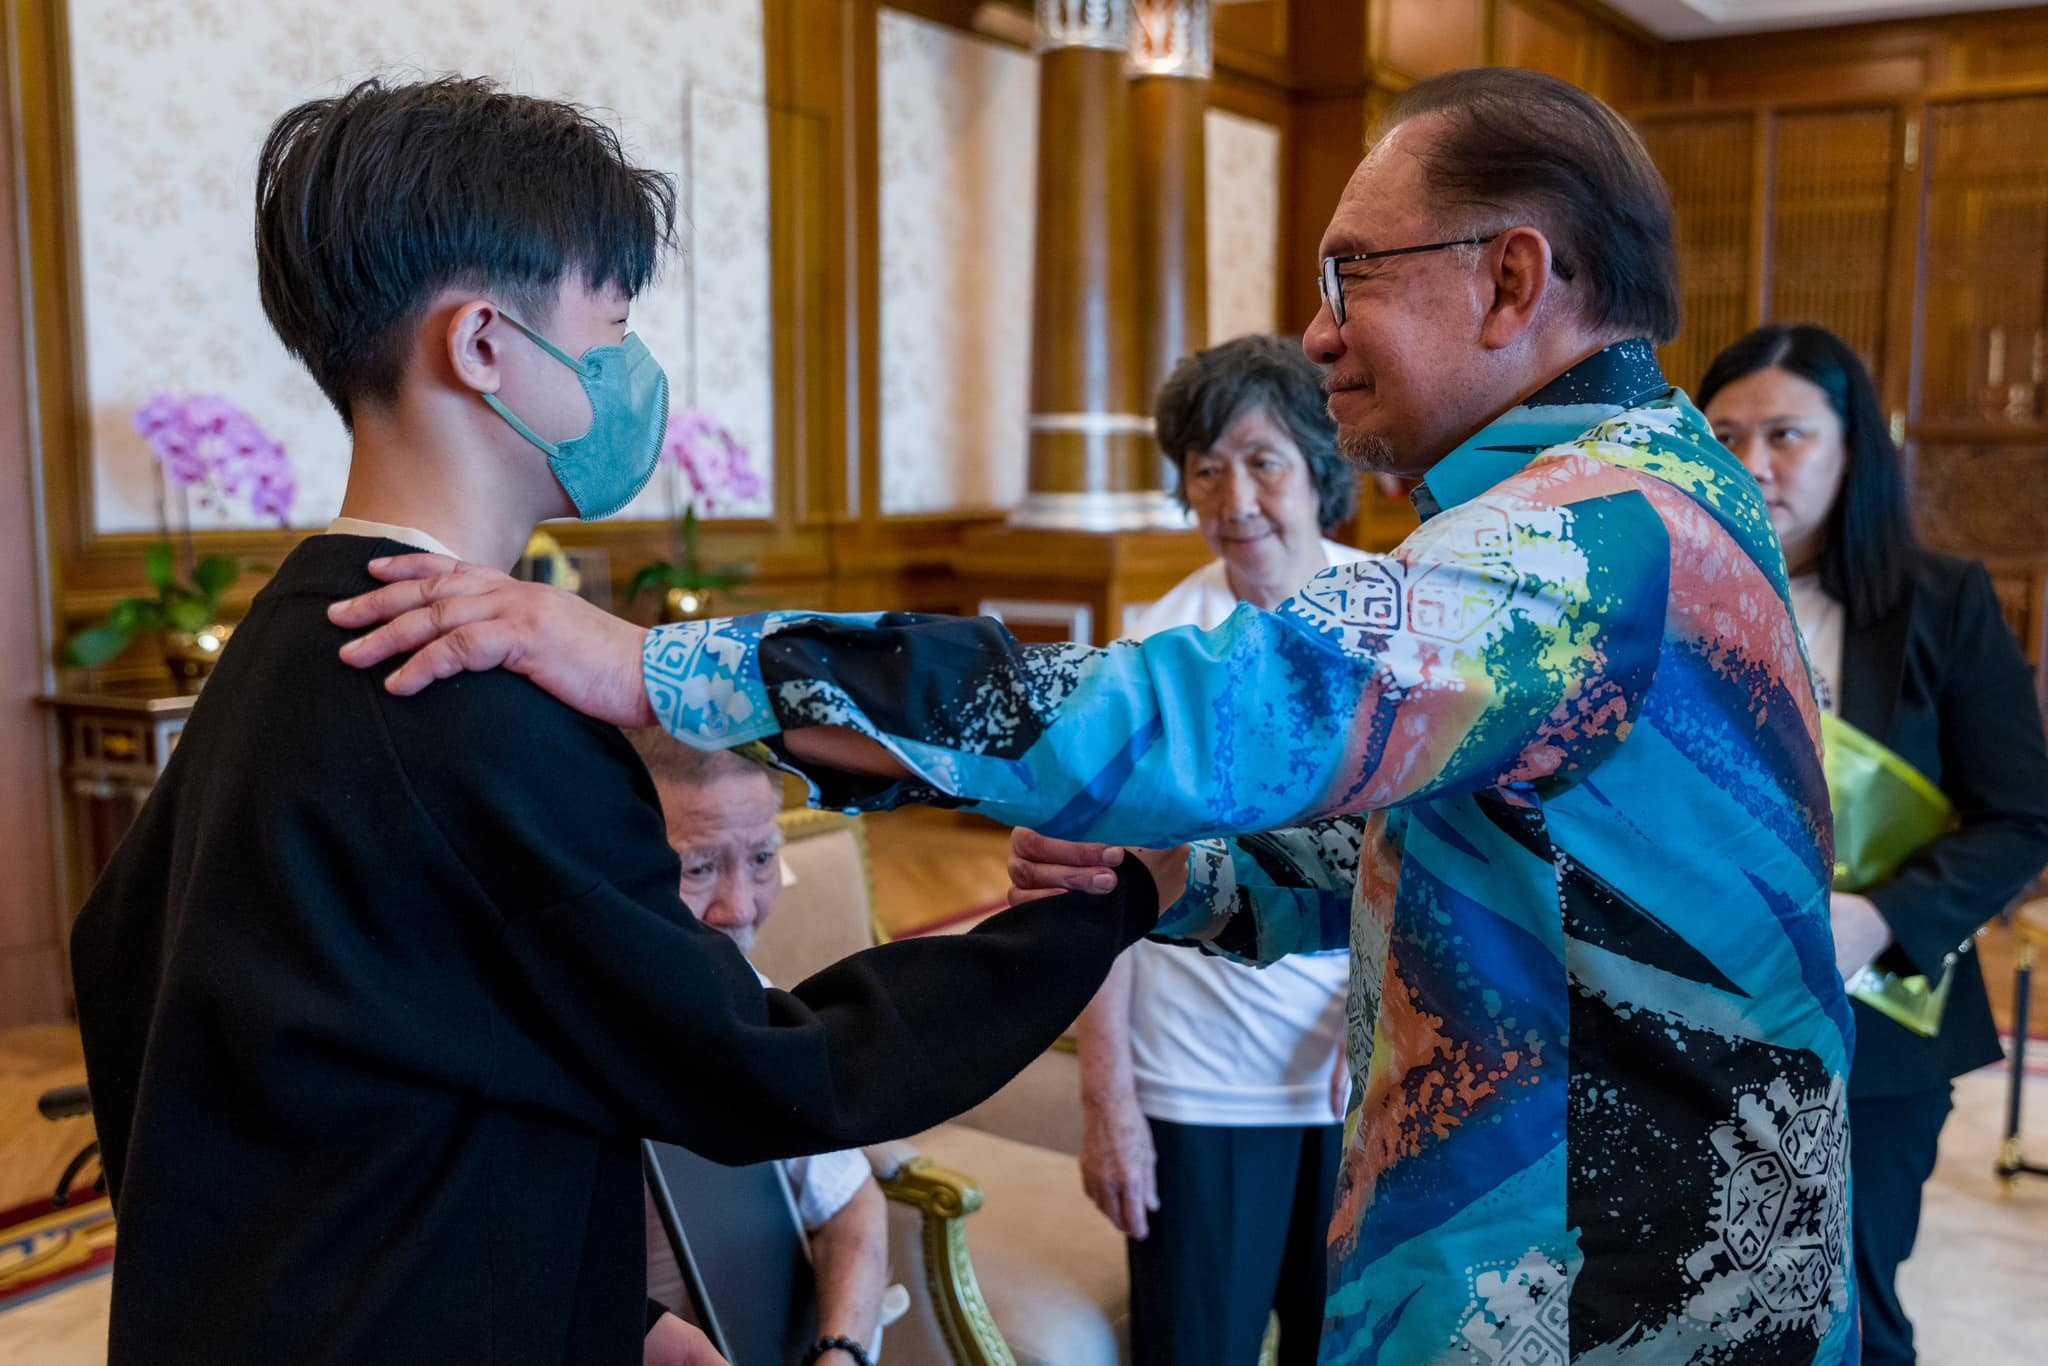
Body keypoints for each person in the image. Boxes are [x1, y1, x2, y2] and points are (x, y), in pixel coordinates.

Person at [333, 68, 1858, 1362]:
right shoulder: (1649, 503)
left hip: (1607, 1291)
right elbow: (1496, 848)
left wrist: (666, 671)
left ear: (1513, 280)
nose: (1319, 333)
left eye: (1353, 277)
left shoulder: (1581, 543)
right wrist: (1184, 877)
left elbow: (1192, 713)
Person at [66, 77, 1163, 1366]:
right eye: (613, 322)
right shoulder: (462, 701)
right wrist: (1102, 904)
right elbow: (770, 1070)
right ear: (483, 345)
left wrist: (597, 1311)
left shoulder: (287, 636)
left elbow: (257, 1042)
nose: (632, 369)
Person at [1700, 324, 2048, 1365]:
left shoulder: (1942, 603)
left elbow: (2021, 817)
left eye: (1785, 435)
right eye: (1724, 435)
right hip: (1691, 1011)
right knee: (1698, 1308)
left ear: (1852, 449)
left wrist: (1879, 918)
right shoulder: (1671, 601)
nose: (1751, 463)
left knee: (1847, 1309)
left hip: (1875, 1026)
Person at [1084, 334, 1363, 1366]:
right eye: (1206, 469)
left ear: (1319, 469)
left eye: (1262, 462)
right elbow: (1098, 893)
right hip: (1198, 1082)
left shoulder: (1398, 619)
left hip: (1363, 1077)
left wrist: (1377, 1022)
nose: (1234, 498)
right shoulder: (1157, 655)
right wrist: (1107, 1101)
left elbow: (1442, 860)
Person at [625, 731, 895, 1361]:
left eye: (762, 859)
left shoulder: (755, 1005)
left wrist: (842, 1352)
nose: (741, 909)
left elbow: (850, 1201)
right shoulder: (524, 1042)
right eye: (698, 868)